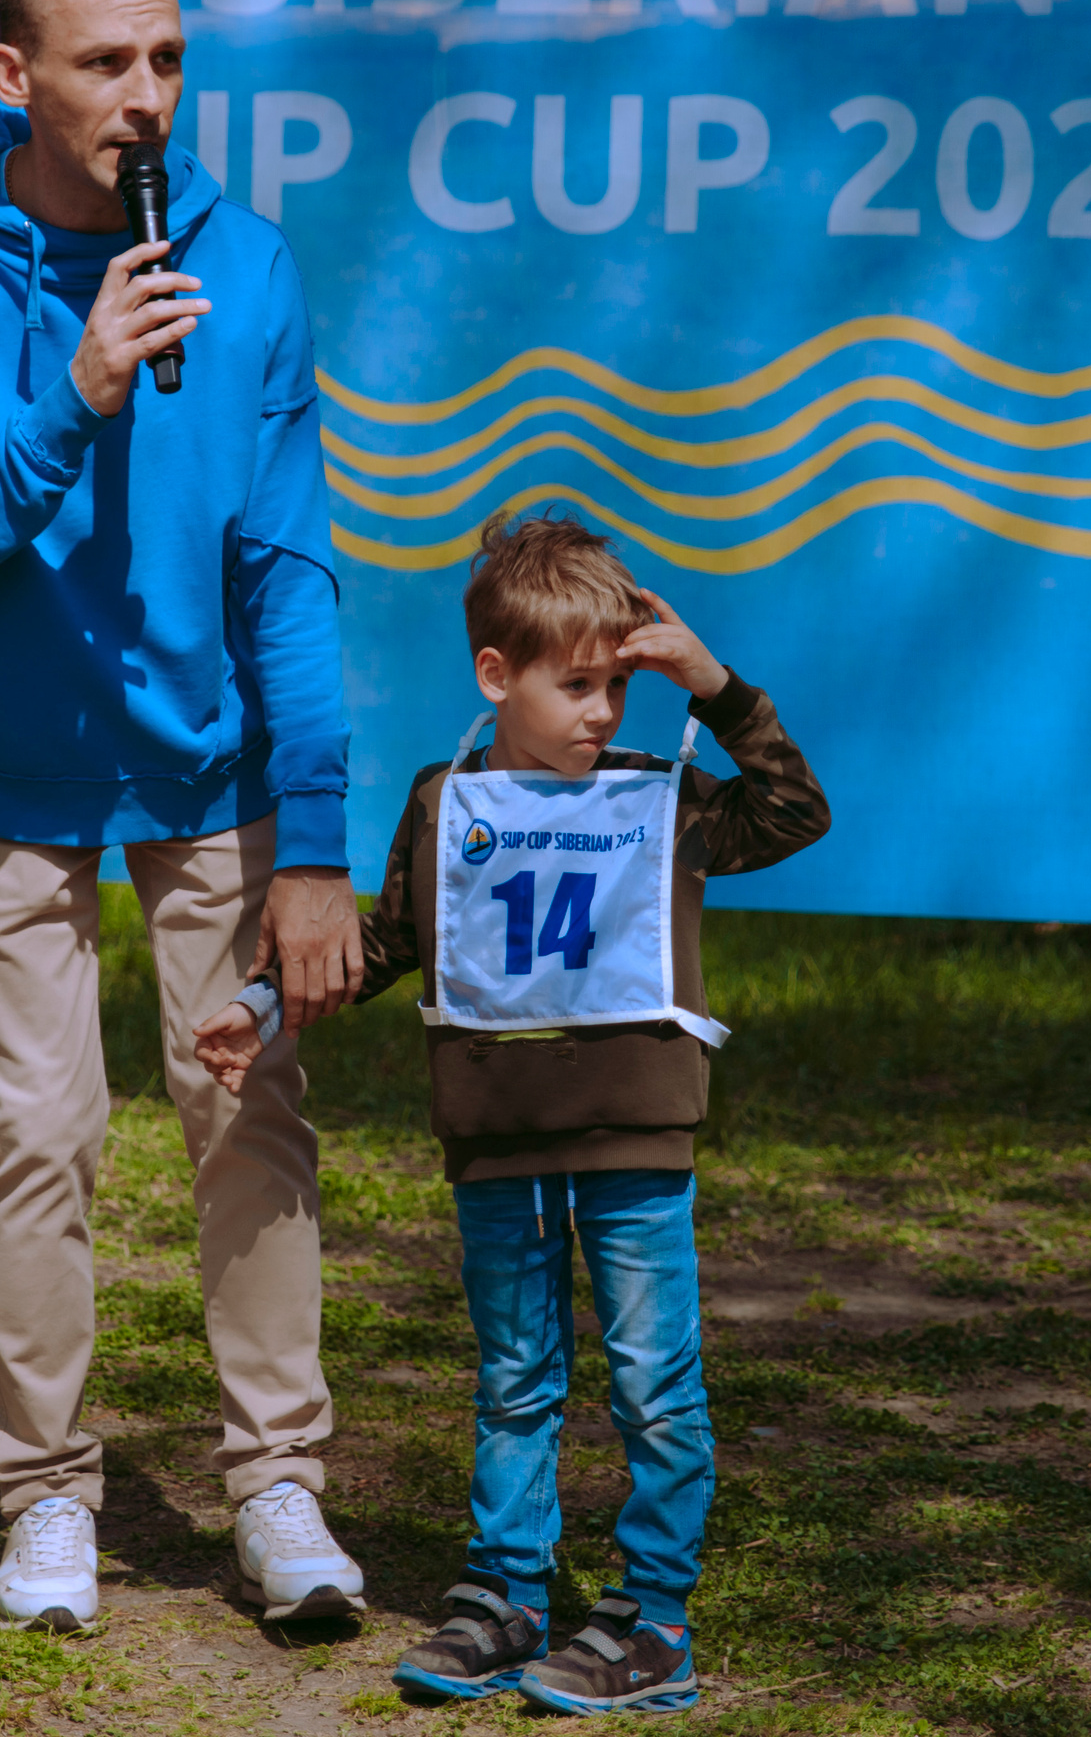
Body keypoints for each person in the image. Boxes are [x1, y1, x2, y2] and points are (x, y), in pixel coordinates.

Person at [0, 0, 367, 1635]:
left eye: (166, 62)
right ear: (15, 77)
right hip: (4, 779)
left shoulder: (246, 266)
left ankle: (279, 1481)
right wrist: (72, 397)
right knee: (39, 1135)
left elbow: (285, 569)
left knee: (247, 1112)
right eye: (104, 65)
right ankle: (48, 1500)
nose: (147, 100)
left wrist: (317, 838)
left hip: (210, 772)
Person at [195, 513, 831, 1714]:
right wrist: (266, 1003)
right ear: (497, 676)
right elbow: (384, 941)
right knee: (516, 1378)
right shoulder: (447, 804)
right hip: (494, 1145)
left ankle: (651, 1618)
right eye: (576, 684)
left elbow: (795, 812)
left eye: (617, 686)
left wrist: (718, 687)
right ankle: (505, 1594)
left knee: (652, 1378)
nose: (604, 711)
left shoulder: (662, 799)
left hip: (635, 1142)